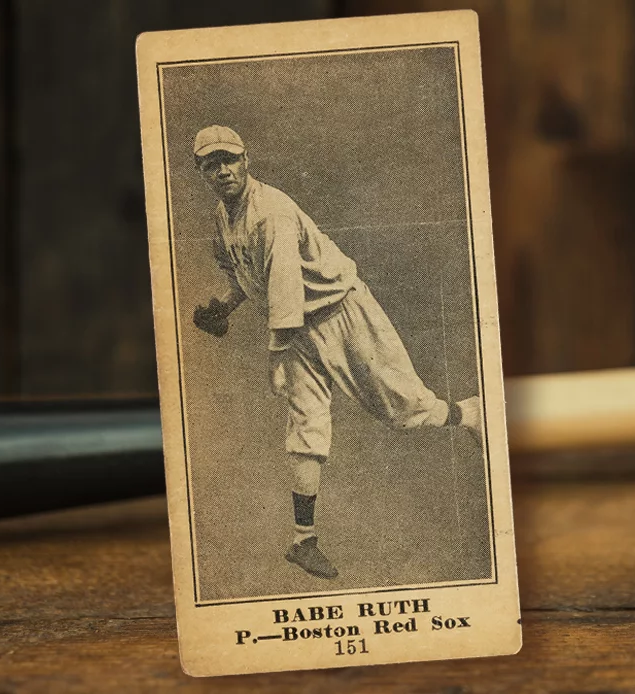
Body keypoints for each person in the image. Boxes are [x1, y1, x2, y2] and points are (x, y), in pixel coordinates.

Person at [189, 125, 481, 580]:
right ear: (201, 172)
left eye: (230, 159)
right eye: (212, 163)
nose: (223, 169)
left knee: (404, 410)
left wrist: (276, 356)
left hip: (342, 313)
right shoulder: (222, 219)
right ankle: (303, 540)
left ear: (247, 161)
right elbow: (249, 276)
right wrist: (224, 307)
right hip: (298, 330)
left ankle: (471, 414)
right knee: (306, 427)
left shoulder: (272, 214)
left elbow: (284, 288)